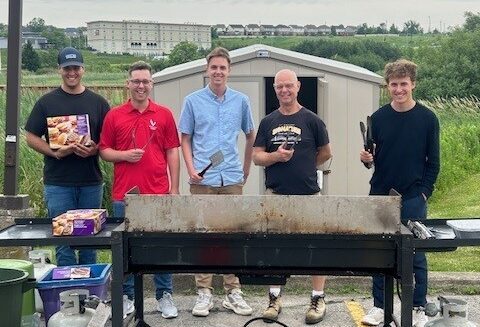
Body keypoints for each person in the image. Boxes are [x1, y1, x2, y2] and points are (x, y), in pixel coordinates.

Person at [360, 59, 440, 327]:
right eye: (393, 84)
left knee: (416, 255)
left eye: (403, 84)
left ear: (413, 84)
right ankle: (380, 307)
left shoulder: (428, 119)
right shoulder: (379, 118)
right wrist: (365, 158)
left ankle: (417, 305)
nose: (398, 89)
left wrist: (425, 192)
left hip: (414, 197)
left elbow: (434, 162)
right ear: (387, 86)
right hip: (381, 195)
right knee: (378, 253)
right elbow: (371, 159)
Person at [99, 61, 180, 319]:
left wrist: (174, 188)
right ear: (128, 83)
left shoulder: (164, 114)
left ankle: (164, 295)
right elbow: (104, 151)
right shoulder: (115, 115)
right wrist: (124, 155)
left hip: (158, 193)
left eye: (145, 81)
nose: (141, 86)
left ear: (151, 84)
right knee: (126, 249)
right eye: (136, 81)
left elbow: (172, 151)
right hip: (126, 196)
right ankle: (127, 297)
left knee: (162, 248)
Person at [179, 47, 255, 317]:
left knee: (231, 235)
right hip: (203, 179)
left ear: (229, 70)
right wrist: (191, 168)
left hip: (232, 178)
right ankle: (204, 292)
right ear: (206, 70)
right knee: (204, 236)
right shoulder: (192, 101)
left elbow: (250, 134)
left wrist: (245, 169)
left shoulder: (241, 101)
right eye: (214, 68)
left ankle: (233, 291)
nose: (218, 72)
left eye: (223, 68)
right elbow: (184, 138)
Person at [252, 69, 332, 325]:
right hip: (275, 195)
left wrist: (305, 166)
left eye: (289, 86)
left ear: (298, 87)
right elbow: (256, 157)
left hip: (309, 195)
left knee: (315, 248)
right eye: (279, 87)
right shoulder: (268, 122)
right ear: (275, 90)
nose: (284, 91)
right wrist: (276, 157)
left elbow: (325, 153)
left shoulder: (313, 120)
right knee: (275, 248)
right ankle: (274, 297)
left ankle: (318, 298)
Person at [25, 47, 109, 266]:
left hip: (90, 180)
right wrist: (55, 152)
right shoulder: (46, 102)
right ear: (59, 70)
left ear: (83, 69)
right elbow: (31, 137)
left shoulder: (98, 102)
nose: (72, 73)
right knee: (63, 240)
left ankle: (91, 294)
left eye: (76, 68)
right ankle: (66, 294)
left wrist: (94, 149)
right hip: (58, 182)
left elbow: (109, 140)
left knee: (90, 240)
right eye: (67, 68)